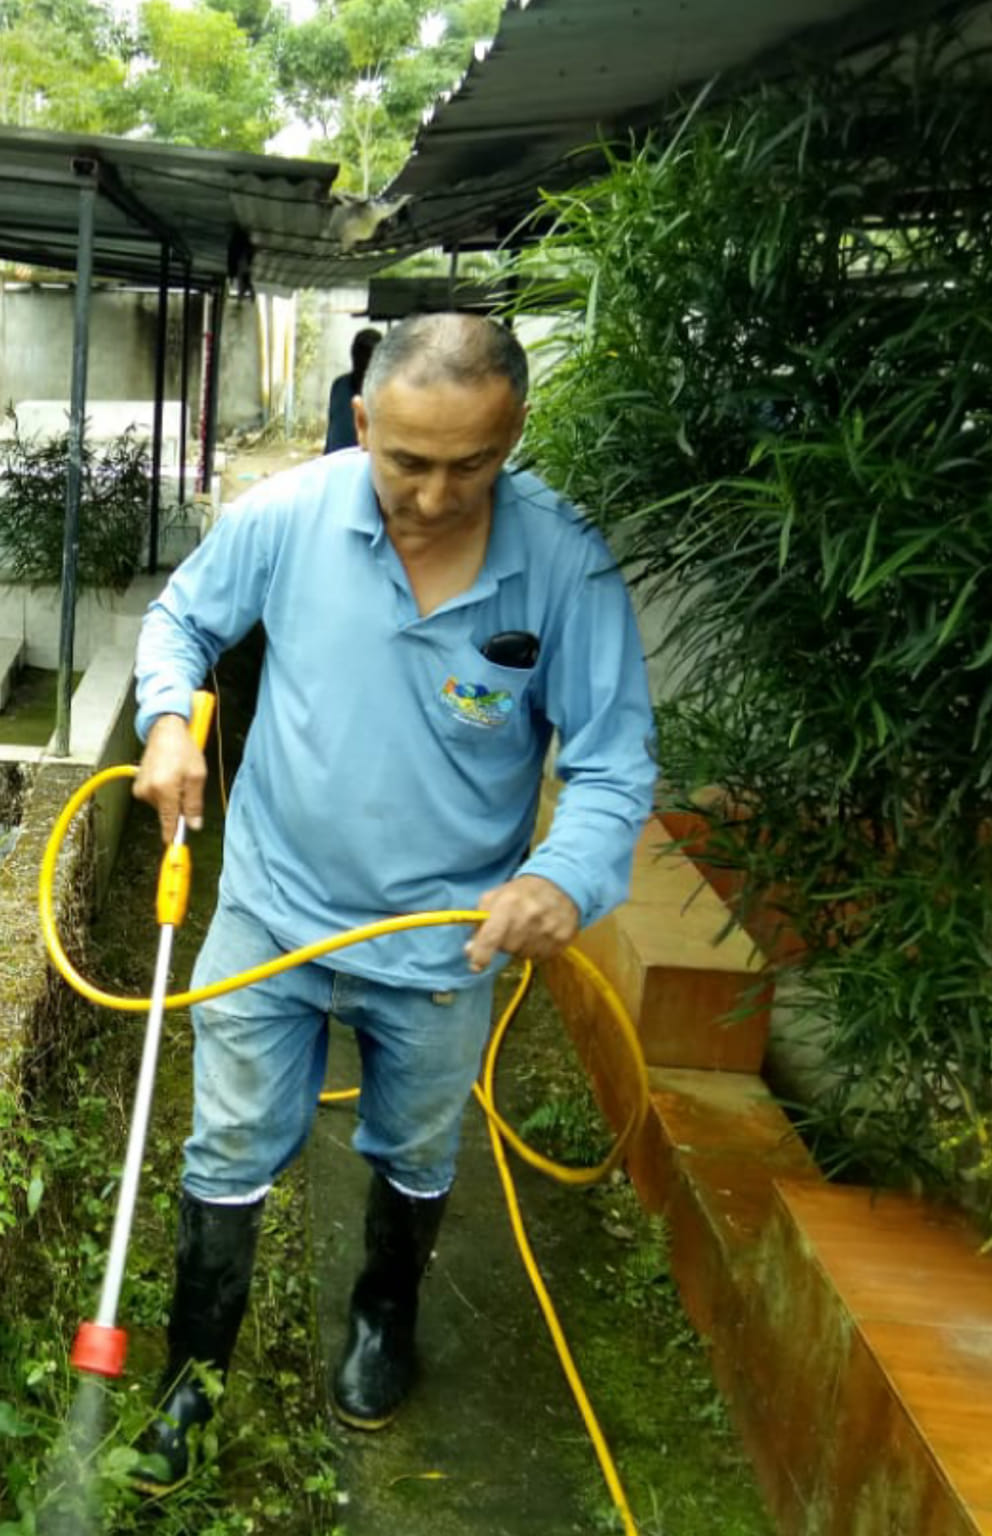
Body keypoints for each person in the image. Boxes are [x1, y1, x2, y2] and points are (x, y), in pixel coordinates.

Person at [130, 311, 655, 1483]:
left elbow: (612, 762)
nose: (430, 496)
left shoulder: (563, 564)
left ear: (512, 435)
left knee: (416, 1144)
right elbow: (180, 622)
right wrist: (166, 720)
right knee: (227, 1142)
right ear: (361, 421)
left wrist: (558, 876)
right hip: (271, 908)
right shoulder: (285, 516)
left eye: (468, 466)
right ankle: (189, 1377)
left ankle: (383, 1319)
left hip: (441, 945)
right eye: (404, 459)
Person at [322, 327, 383, 453]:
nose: (362, 360)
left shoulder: (385, 392)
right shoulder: (339, 386)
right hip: (337, 460)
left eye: (368, 355)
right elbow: (332, 430)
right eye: (358, 353)